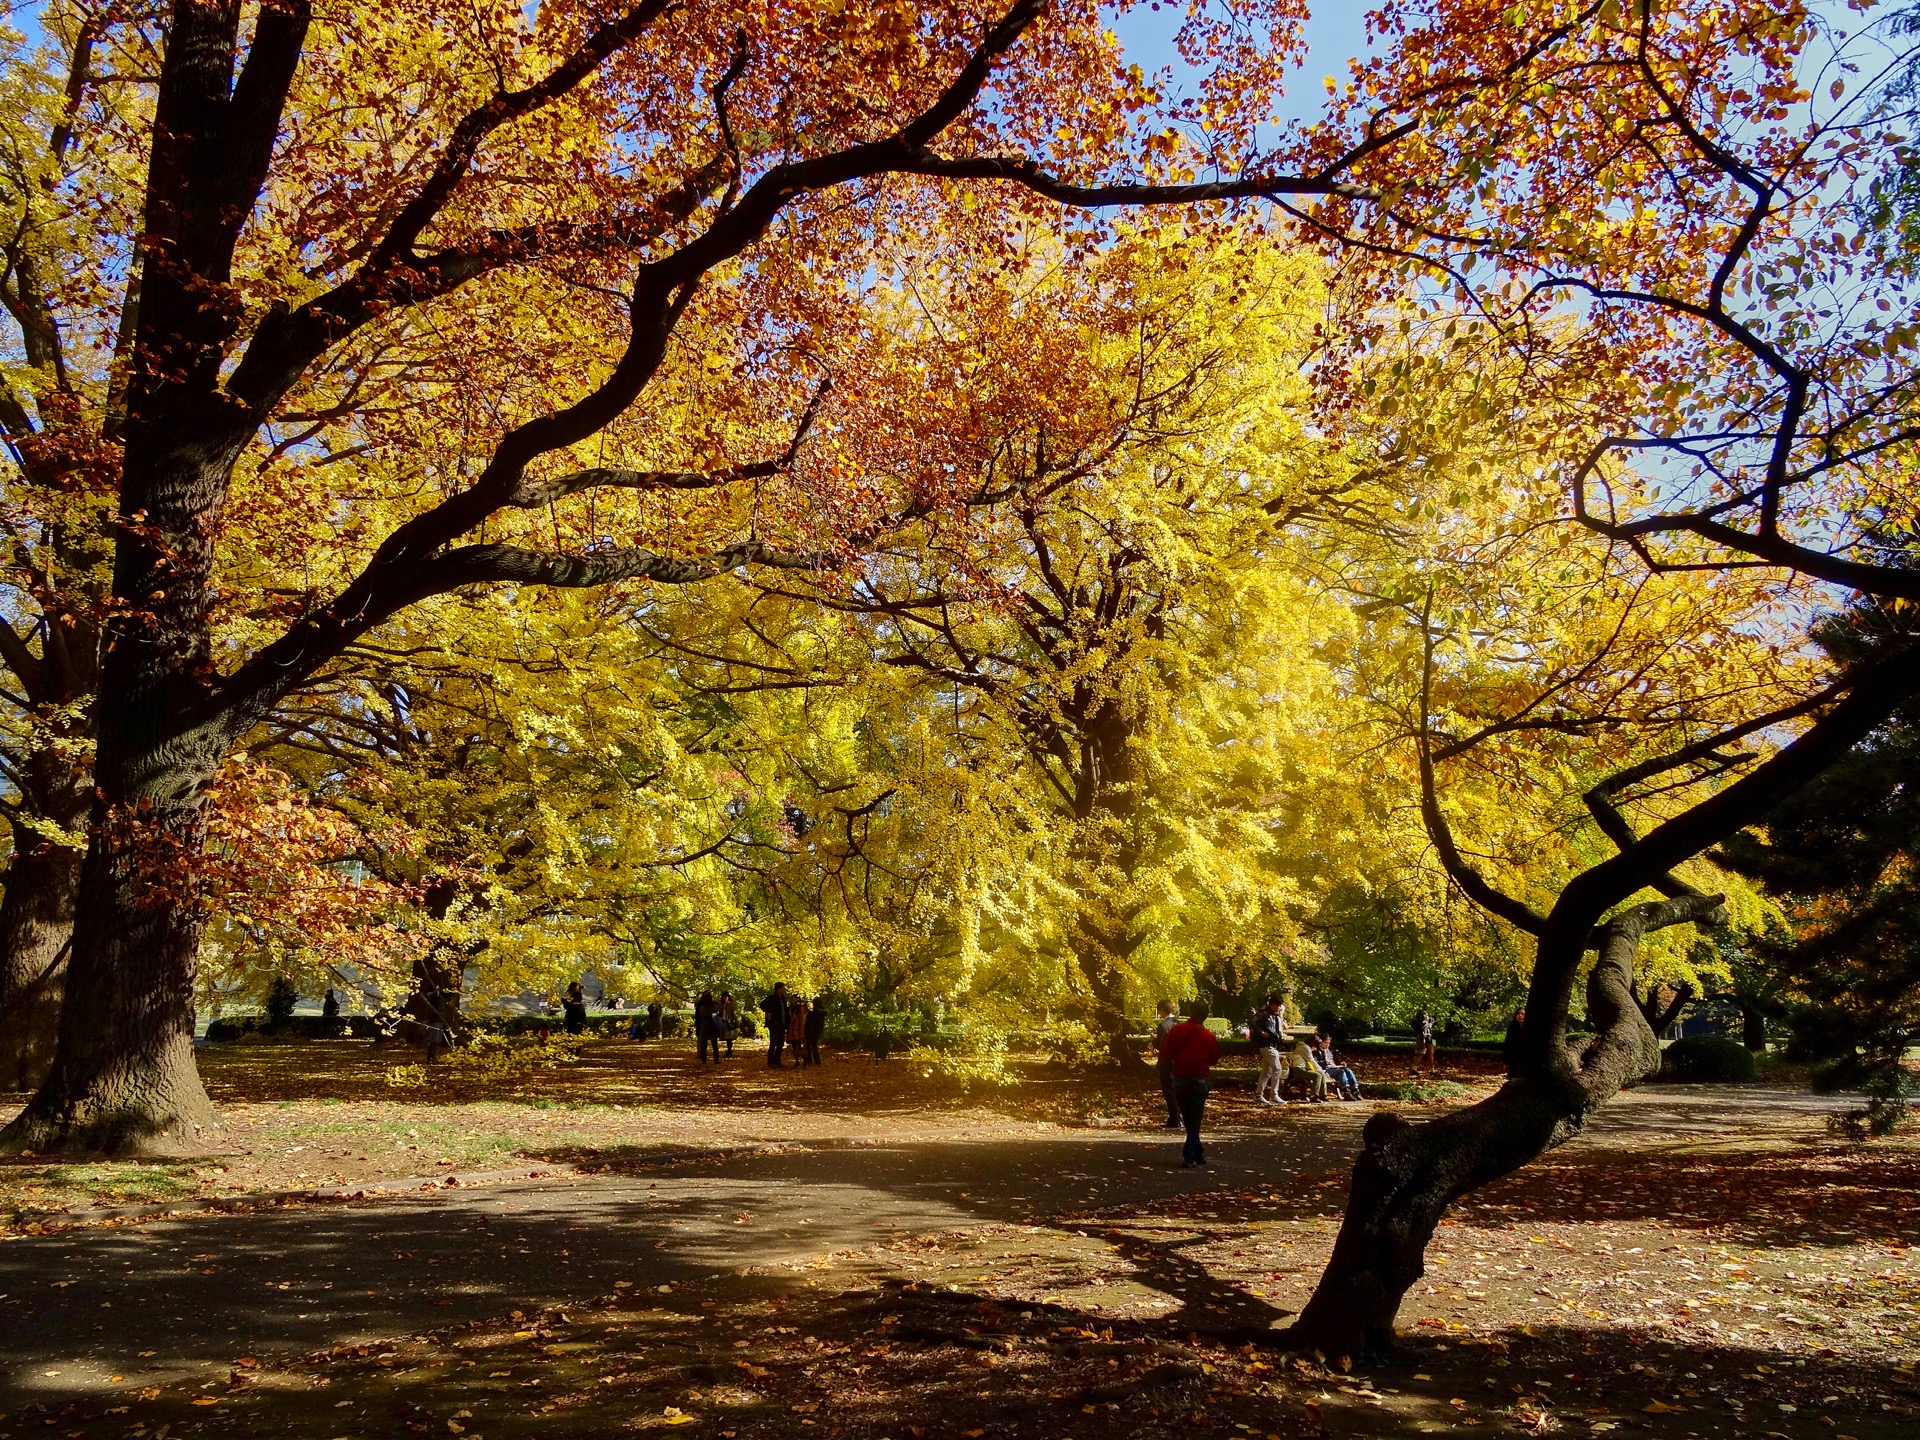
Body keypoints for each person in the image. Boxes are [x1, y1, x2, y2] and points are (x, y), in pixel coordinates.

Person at [1159, 1003, 1221, 1167]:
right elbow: (1214, 1059)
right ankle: (1192, 1154)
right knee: (1195, 1117)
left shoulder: (1177, 1031)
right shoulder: (1208, 1035)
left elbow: (1166, 1052)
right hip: (1200, 1079)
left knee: (1188, 1117)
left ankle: (1195, 1152)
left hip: (1180, 1078)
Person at [1150, 998, 1182, 1129]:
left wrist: (1153, 1039)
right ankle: (1178, 1116)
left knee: (1168, 1090)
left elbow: (1160, 1045)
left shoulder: (1163, 1026)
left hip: (1166, 1062)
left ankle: (1175, 1118)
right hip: (1178, 1061)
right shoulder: (1179, 1024)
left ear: (1162, 1010)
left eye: (1159, 1011)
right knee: (1177, 1090)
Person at [1251, 994, 1288, 1106]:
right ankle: (1274, 1095)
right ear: (1272, 1004)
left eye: (1280, 1005)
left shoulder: (1276, 1016)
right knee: (1277, 1069)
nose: (1279, 1007)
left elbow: (1278, 1031)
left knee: (1267, 1071)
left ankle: (1259, 1095)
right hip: (1266, 1045)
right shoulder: (1263, 1013)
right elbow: (1252, 1021)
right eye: (1277, 1005)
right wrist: (1261, 1032)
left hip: (1273, 1045)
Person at [1310, 1031, 1361, 1100]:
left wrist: (1341, 1063)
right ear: (1321, 1042)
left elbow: (1335, 1060)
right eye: (1325, 1043)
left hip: (1334, 1067)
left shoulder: (1330, 1050)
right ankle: (1346, 1091)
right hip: (1326, 1069)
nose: (1327, 1045)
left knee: (1348, 1070)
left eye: (1328, 1043)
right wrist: (1325, 1063)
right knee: (1341, 1072)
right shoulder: (1315, 1051)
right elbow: (1316, 1063)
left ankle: (1355, 1090)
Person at [1285, 1033, 1330, 1101]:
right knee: (1317, 1075)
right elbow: (1311, 1060)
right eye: (1315, 1045)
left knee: (1321, 1074)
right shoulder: (1304, 1047)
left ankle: (1323, 1095)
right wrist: (1320, 1069)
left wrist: (1320, 1071)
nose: (1315, 1048)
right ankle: (1314, 1096)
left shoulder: (1305, 1046)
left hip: (1304, 1068)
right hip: (1298, 1070)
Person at [761, 984, 790, 1067]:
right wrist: (769, 1012)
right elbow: (762, 1005)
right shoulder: (771, 998)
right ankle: (771, 1062)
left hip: (782, 1024)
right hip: (774, 1024)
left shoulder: (783, 999)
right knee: (773, 1042)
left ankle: (778, 1061)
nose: (784, 990)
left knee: (780, 1043)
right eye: (783, 988)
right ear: (778, 989)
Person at [694, 990, 719, 1063]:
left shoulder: (702, 1008)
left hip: (704, 1026)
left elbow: (699, 1016)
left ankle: (704, 1059)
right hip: (713, 1026)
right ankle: (716, 1059)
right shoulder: (714, 1008)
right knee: (714, 1044)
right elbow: (719, 1006)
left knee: (704, 1044)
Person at [1502, 1006, 1527, 1076]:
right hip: (1514, 1060)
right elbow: (1507, 1046)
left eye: (1523, 1014)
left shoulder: (1530, 1029)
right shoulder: (1512, 1029)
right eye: (1518, 1014)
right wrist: (1506, 1063)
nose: (1520, 1016)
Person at [1413, 1005, 1437, 1075]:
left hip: (1427, 1035)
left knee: (1430, 1052)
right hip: (1424, 1035)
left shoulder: (1427, 1014)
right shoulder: (1423, 1013)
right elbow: (1424, 1025)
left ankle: (1432, 1070)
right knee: (1422, 1052)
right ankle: (1414, 1068)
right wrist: (1431, 1023)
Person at [803, 993, 826, 1066]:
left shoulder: (816, 1012)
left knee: (810, 1046)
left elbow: (810, 1019)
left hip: (811, 1031)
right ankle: (816, 1061)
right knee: (813, 1046)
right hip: (816, 1031)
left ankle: (810, 1060)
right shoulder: (821, 1012)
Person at [787, 995, 810, 1064]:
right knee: (794, 1046)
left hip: (799, 1029)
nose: (793, 999)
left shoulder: (800, 1008)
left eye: (795, 998)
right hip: (791, 1030)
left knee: (800, 1045)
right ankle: (797, 1061)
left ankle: (805, 1060)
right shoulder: (789, 1008)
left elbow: (803, 1018)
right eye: (792, 998)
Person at [719, 992, 738, 1057]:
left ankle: (729, 1051)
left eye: (726, 997)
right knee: (726, 1038)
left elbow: (734, 1013)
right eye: (724, 997)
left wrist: (735, 1022)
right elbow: (720, 1013)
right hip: (724, 1022)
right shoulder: (722, 1005)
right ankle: (728, 1051)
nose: (725, 998)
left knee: (729, 1038)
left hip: (730, 1022)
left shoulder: (731, 1004)